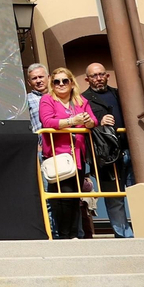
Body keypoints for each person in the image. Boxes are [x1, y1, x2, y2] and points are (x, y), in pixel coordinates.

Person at [39, 68, 95, 240]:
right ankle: (63, 235)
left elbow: (93, 121)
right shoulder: (47, 99)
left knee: (74, 197)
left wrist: (87, 122)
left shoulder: (80, 100)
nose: (61, 84)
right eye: (57, 81)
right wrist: (72, 122)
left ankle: (73, 234)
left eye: (65, 81)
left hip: (77, 155)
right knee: (61, 198)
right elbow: (47, 121)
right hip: (57, 156)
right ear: (52, 84)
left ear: (72, 83)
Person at [79, 63, 133, 238]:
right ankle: (125, 235)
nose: (98, 78)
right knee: (114, 197)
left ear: (107, 76)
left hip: (130, 150)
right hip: (106, 156)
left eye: (102, 74)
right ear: (87, 79)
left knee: (137, 194)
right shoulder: (83, 99)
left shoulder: (119, 93)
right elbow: (82, 124)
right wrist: (98, 122)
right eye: (94, 76)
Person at [25, 64, 50, 129]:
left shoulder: (58, 96)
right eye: (34, 78)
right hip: (39, 138)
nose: (38, 81)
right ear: (29, 82)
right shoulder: (26, 100)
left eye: (41, 77)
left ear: (48, 78)